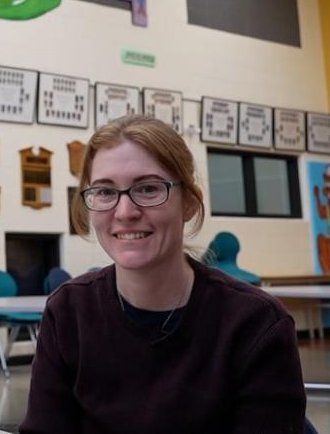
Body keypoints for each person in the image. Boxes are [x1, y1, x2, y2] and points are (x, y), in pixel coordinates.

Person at [21, 115, 305, 433]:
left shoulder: (255, 325)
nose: (125, 212)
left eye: (148, 188)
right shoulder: (68, 313)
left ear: (189, 204)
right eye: (104, 192)